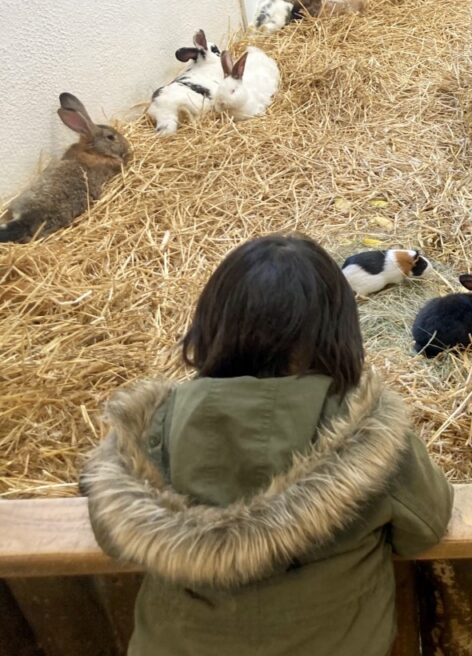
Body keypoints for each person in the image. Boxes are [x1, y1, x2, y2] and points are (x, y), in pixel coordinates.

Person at [81, 232, 453, 656]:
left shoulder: (151, 429)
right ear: (340, 328)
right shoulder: (368, 429)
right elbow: (427, 525)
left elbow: (111, 532)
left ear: (212, 325)